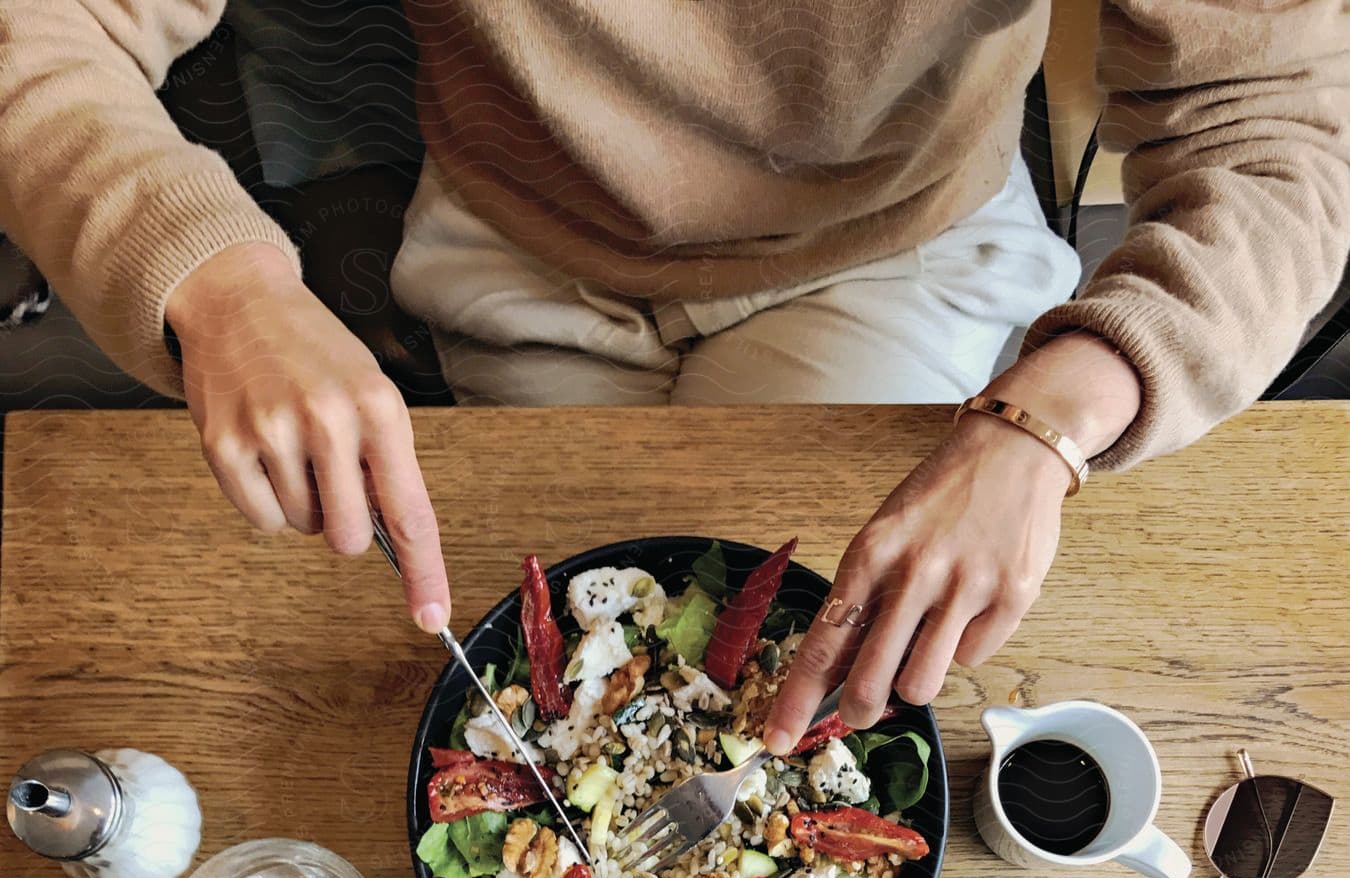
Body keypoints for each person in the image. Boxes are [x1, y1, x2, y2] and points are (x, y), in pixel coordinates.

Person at [0, 3, 1345, 755]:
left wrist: (1051, 421)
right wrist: (222, 286)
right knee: (561, 714)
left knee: (827, 698)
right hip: (511, 241)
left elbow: (1270, 129)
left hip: (895, 241)